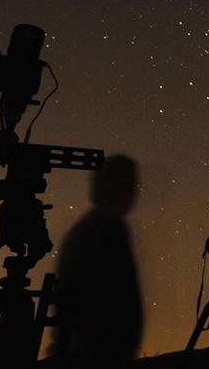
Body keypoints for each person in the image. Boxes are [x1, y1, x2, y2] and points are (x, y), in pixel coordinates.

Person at [52, 154, 143, 368]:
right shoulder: (108, 227)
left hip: (82, 351)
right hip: (97, 355)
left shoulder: (87, 228)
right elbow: (118, 297)